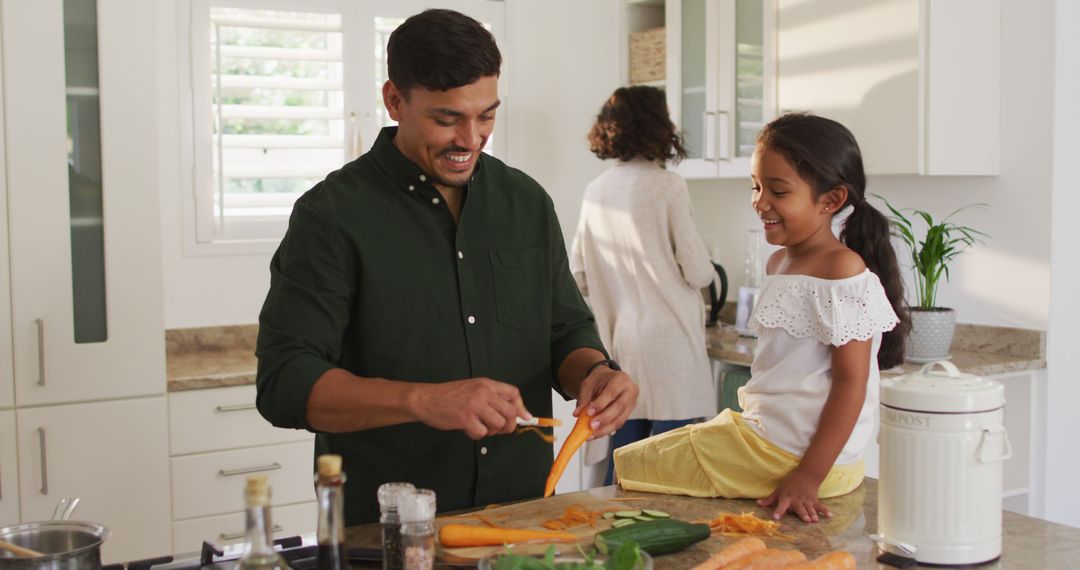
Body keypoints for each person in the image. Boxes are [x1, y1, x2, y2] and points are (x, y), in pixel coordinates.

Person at [254, 9, 638, 526]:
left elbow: (564, 328)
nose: (471, 138)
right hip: (389, 532)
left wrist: (594, 372)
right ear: (394, 101)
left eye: (486, 115)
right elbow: (284, 382)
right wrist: (423, 400)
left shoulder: (525, 202)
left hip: (524, 519)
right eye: (446, 118)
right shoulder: (331, 215)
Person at [612, 113, 910, 523]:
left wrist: (808, 475)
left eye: (779, 190)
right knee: (640, 460)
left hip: (795, 457)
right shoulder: (779, 263)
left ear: (831, 200)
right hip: (769, 441)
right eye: (755, 186)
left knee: (633, 465)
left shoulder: (841, 269)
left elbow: (851, 385)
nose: (760, 201)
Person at [569, 86, 717, 486]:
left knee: (625, 468)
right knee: (668, 471)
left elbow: (578, 274)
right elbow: (698, 272)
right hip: (670, 345)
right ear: (659, 125)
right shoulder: (667, 186)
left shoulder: (596, 191)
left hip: (622, 342)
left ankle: (612, 541)